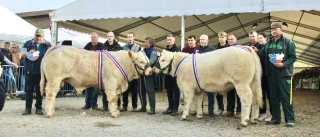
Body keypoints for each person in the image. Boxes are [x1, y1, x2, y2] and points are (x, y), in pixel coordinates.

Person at [252, 23, 296, 127]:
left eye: (276, 29)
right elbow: (263, 54)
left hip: (284, 75)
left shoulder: (288, 43)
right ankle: (276, 118)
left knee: (286, 97)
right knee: (273, 98)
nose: (274, 31)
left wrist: (283, 64)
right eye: (272, 30)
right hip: (271, 75)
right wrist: (257, 51)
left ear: (281, 30)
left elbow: (293, 57)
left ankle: (290, 120)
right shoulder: (269, 43)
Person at [21, 28, 52, 115]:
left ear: (43, 36)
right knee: (29, 90)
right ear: (34, 35)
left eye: (40, 36)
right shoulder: (28, 43)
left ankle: (38, 108)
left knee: (39, 90)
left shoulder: (48, 45)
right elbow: (21, 54)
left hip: (41, 72)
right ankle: (28, 108)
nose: (38, 38)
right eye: (36, 36)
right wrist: (27, 53)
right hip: (29, 71)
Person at [81, 32, 104, 110]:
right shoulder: (87, 46)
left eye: (94, 37)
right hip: (88, 69)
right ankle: (87, 104)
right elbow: (82, 55)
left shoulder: (102, 46)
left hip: (97, 70)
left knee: (95, 88)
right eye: (92, 37)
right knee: (88, 87)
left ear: (98, 38)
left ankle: (94, 105)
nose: (93, 39)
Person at [195, 34, 215, 117]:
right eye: (201, 39)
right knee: (199, 93)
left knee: (210, 93)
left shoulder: (213, 50)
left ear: (207, 40)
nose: (202, 41)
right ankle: (199, 110)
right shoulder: (196, 50)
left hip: (210, 75)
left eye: (203, 39)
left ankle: (211, 110)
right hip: (199, 75)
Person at [101, 31, 123, 111]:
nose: (109, 38)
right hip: (105, 71)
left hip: (115, 71)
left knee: (116, 89)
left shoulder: (118, 47)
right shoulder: (103, 47)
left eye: (111, 36)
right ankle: (105, 105)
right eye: (108, 36)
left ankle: (118, 105)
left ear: (114, 37)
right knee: (105, 88)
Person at [136, 37, 157, 114]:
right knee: (141, 90)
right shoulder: (142, 51)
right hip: (141, 73)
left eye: (146, 42)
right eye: (144, 42)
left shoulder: (153, 52)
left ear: (150, 44)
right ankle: (143, 106)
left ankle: (152, 108)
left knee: (150, 91)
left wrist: (144, 64)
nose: (144, 43)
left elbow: (152, 61)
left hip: (149, 74)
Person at [121, 32, 141, 112]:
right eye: (128, 37)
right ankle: (124, 106)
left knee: (134, 89)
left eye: (131, 37)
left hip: (134, 71)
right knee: (125, 88)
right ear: (127, 38)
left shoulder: (138, 47)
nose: (130, 38)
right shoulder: (123, 47)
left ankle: (134, 106)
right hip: (126, 71)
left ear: (134, 37)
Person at [162, 34, 181, 116]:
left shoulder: (177, 50)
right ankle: (170, 107)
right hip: (167, 74)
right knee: (169, 91)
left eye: (170, 39)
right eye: (168, 40)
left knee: (176, 92)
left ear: (174, 40)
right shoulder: (165, 50)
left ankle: (175, 109)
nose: (169, 41)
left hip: (175, 74)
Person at [223, 34, 241, 118]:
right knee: (229, 92)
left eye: (232, 39)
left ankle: (239, 111)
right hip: (228, 74)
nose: (230, 40)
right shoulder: (225, 49)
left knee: (239, 93)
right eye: (229, 39)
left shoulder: (240, 49)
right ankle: (230, 110)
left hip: (237, 73)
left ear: (236, 39)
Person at [256, 32, 272, 121]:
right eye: (258, 38)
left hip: (268, 74)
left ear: (266, 38)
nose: (259, 40)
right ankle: (262, 113)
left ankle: (272, 114)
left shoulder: (269, 47)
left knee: (271, 95)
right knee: (261, 95)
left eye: (261, 38)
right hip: (260, 75)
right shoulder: (258, 47)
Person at [213, 31, 229, 116]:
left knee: (230, 91)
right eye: (220, 37)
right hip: (219, 71)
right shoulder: (216, 49)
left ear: (225, 38)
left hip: (228, 71)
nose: (221, 39)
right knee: (218, 90)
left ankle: (230, 109)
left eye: (222, 37)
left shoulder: (229, 48)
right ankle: (220, 108)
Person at [181, 35, 198, 105]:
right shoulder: (184, 50)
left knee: (197, 92)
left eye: (191, 40)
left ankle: (197, 109)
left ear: (195, 41)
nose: (190, 42)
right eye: (189, 40)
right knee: (187, 91)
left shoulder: (198, 48)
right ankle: (186, 107)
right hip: (187, 74)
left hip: (196, 73)